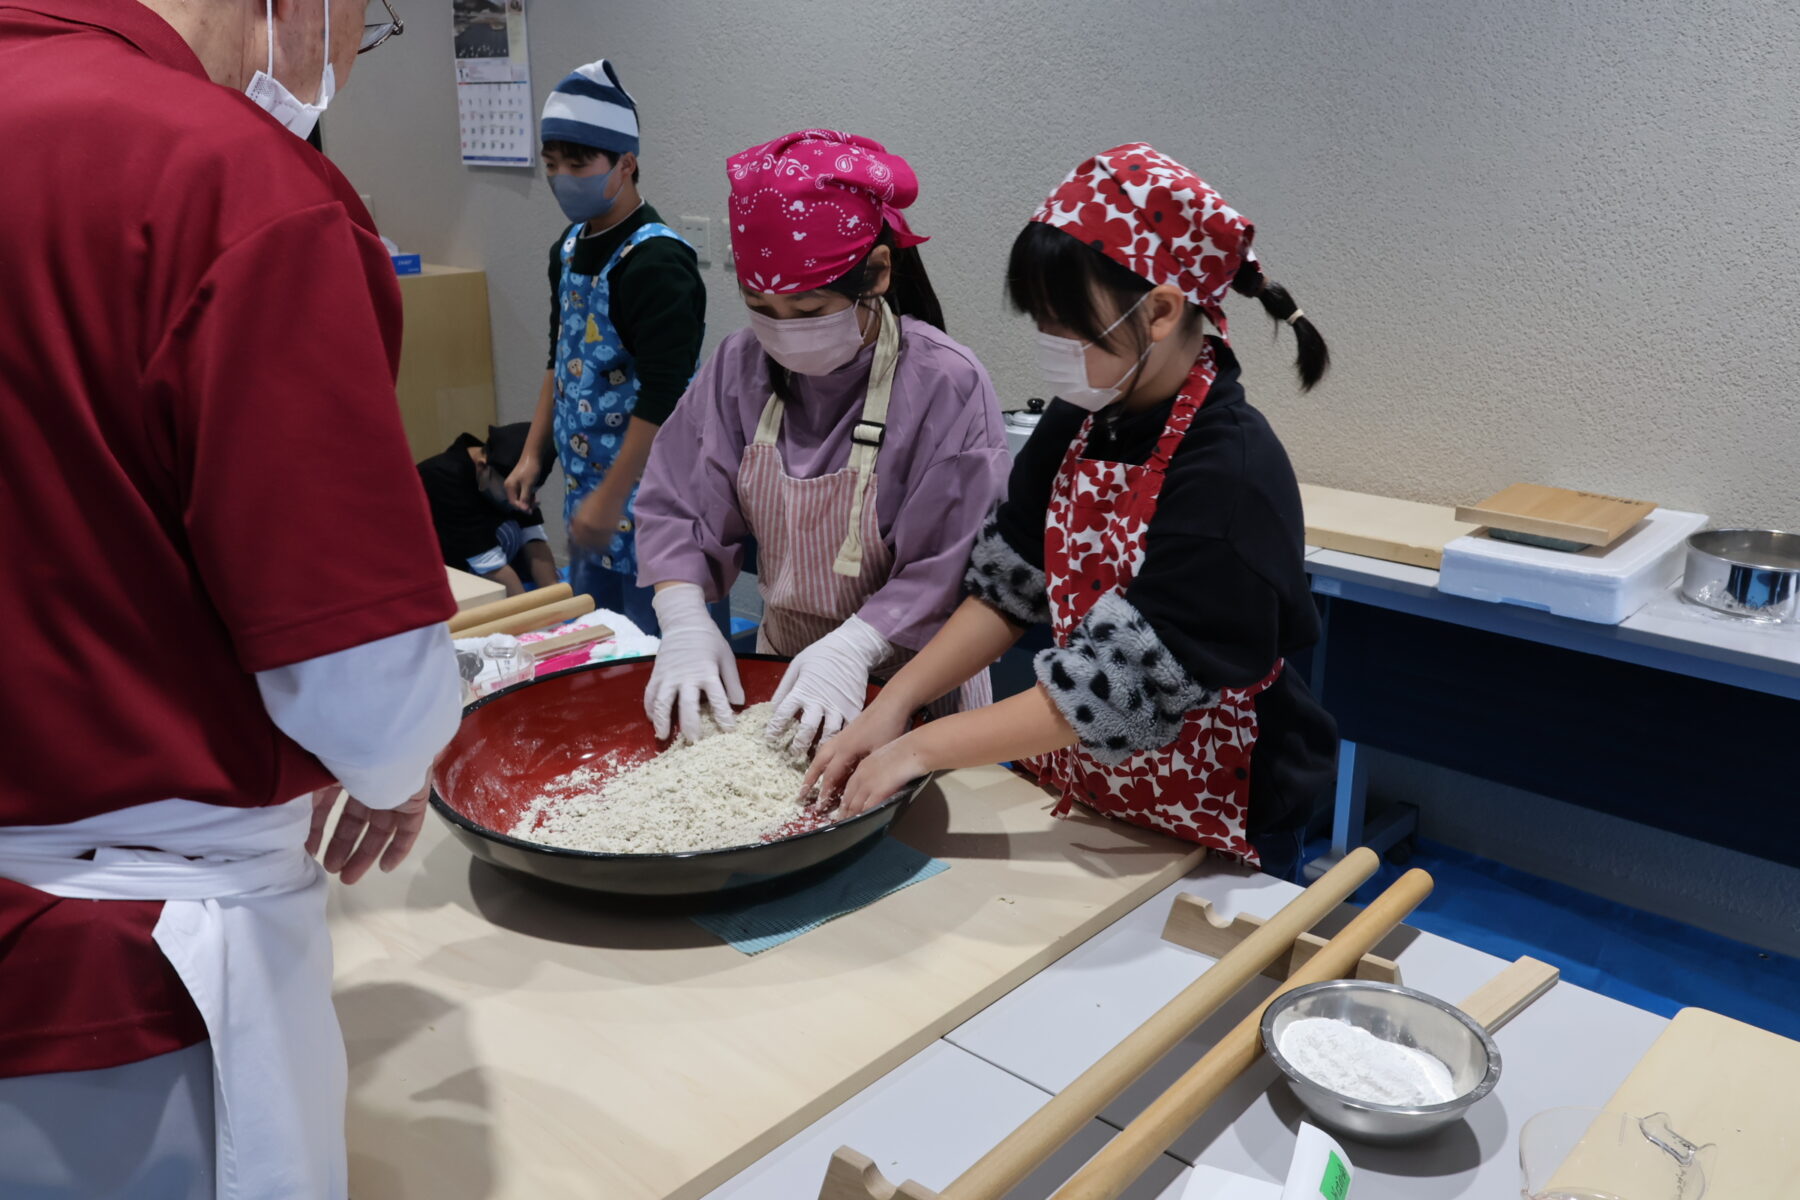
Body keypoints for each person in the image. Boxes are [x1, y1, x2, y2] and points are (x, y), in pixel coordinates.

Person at [0, 0, 463, 1194]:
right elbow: (367, 685)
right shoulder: (224, 178)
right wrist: (394, 769)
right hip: (122, 977)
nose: (355, 51)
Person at [808, 144, 1339, 873]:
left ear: (1158, 311)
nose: (1048, 346)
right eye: (1040, 320)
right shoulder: (1083, 417)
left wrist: (921, 747)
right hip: (1094, 783)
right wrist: (893, 702)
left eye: (1065, 324)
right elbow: (1006, 587)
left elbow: (1120, 688)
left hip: (1226, 805)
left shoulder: (1232, 476)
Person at [635, 130, 1009, 751]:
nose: (782, 334)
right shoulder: (738, 367)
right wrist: (682, 619)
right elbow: (678, 504)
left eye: (808, 312)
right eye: (761, 307)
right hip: (781, 677)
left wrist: (854, 648)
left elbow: (953, 563)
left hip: (914, 692)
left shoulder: (947, 383)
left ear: (879, 272)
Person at [504, 58, 711, 635]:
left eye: (579, 163)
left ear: (626, 162)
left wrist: (613, 496)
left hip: (654, 500)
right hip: (588, 497)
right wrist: (532, 452)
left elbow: (666, 394)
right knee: (600, 647)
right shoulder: (568, 249)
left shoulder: (659, 263)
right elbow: (559, 356)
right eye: (552, 164)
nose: (562, 177)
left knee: (661, 654)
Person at [419, 423, 559, 595]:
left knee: (517, 533)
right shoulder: (442, 477)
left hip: (479, 550)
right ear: (482, 467)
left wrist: (556, 596)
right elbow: (489, 563)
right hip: (432, 568)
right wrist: (533, 613)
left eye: (530, 491)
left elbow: (533, 537)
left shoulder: (509, 473)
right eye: (515, 490)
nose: (522, 498)